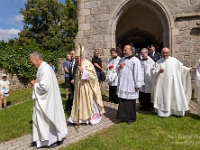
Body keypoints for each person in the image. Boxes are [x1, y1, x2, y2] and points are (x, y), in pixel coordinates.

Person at [30, 52, 68, 148]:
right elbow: (41, 81)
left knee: (48, 119)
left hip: (47, 100)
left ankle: (53, 139)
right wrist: (36, 81)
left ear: (37, 59)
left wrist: (35, 85)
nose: (31, 64)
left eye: (32, 61)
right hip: (44, 99)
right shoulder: (41, 68)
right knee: (40, 119)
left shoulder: (45, 69)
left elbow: (45, 87)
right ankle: (40, 140)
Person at [151, 47, 197, 118]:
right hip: (162, 85)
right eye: (163, 53)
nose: (165, 54)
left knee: (174, 96)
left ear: (169, 53)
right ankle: (163, 112)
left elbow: (181, 68)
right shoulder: (158, 62)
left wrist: (189, 69)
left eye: (166, 53)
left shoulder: (174, 60)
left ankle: (175, 111)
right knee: (164, 97)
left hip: (173, 84)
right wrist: (158, 72)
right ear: (161, 53)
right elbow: (152, 72)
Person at [68, 44, 105, 125]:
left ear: (81, 58)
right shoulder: (78, 64)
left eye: (77, 59)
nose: (76, 61)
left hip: (87, 88)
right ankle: (80, 119)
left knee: (90, 103)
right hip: (79, 88)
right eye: (75, 59)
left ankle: (91, 118)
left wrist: (83, 71)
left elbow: (93, 76)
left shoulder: (88, 64)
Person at [116, 44, 144, 124]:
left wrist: (138, 84)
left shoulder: (135, 60)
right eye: (123, 50)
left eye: (125, 50)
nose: (124, 51)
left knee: (130, 102)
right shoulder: (121, 60)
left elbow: (138, 73)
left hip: (131, 84)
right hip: (123, 84)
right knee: (123, 101)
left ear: (131, 50)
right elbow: (117, 70)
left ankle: (131, 118)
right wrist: (119, 67)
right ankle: (122, 116)